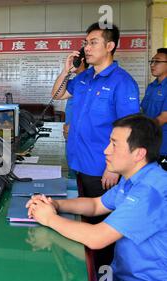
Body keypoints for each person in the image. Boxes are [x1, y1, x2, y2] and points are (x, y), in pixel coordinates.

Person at [26, 114, 167, 281]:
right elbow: (95, 205)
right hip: (118, 279)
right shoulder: (135, 179)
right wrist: (55, 204)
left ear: (139, 153)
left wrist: (50, 218)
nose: (106, 150)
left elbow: (97, 238)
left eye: (114, 145)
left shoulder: (150, 191)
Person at [52, 23, 140, 198]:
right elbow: (57, 94)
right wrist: (66, 71)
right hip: (77, 162)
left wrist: (114, 168)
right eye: (85, 43)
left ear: (109, 46)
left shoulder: (122, 82)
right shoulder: (83, 77)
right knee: (82, 214)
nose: (87, 48)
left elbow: (130, 130)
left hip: (101, 168)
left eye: (93, 43)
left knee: (98, 220)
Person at [141, 48, 167, 170]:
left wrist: (142, 129)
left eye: (157, 61)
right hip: (150, 146)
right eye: (151, 61)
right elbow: (143, 111)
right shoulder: (152, 86)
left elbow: (163, 117)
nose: (152, 65)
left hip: (164, 147)